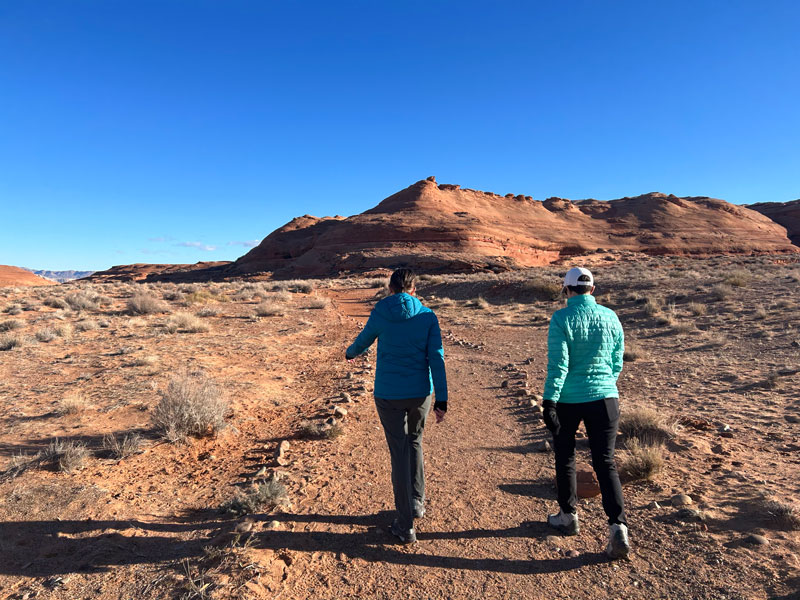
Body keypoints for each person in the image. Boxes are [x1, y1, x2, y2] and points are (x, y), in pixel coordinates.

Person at [345, 268, 448, 544]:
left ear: (390, 288)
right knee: (414, 443)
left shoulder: (381, 311)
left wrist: (350, 353)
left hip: (389, 395)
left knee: (398, 452)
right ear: (414, 289)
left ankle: (405, 525)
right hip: (420, 394)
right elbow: (436, 358)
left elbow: (364, 340)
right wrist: (443, 399)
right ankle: (416, 502)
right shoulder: (428, 315)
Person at [541, 266, 630, 559]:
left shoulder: (561, 318)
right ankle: (618, 527)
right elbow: (617, 360)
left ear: (566, 290)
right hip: (606, 398)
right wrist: (605, 383)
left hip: (569, 398)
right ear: (592, 289)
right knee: (605, 462)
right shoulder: (611, 316)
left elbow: (559, 365)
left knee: (565, 455)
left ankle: (568, 517)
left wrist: (549, 401)